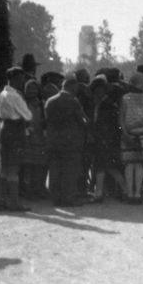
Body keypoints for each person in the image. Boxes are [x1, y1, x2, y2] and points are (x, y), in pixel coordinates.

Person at [44, 77, 89, 207]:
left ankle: (56, 198)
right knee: (69, 171)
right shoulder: (73, 101)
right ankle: (68, 198)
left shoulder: (50, 101)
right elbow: (82, 120)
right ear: (73, 87)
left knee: (55, 170)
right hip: (70, 142)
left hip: (53, 141)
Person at [0, 67, 33, 211]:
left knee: (5, 167)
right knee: (14, 167)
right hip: (15, 129)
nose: (22, 81)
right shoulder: (15, 96)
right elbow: (28, 115)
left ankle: (1, 199)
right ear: (13, 79)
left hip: (5, 128)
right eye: (20, 78)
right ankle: (14, 202)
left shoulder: (2, 94)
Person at [119, 73, 143, 205]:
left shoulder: (124, 98)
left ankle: (129, 193)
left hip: (128, 134)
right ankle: (138, 193)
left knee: (129, 164)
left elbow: (121, 119)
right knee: (140, 164)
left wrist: (125, 132)